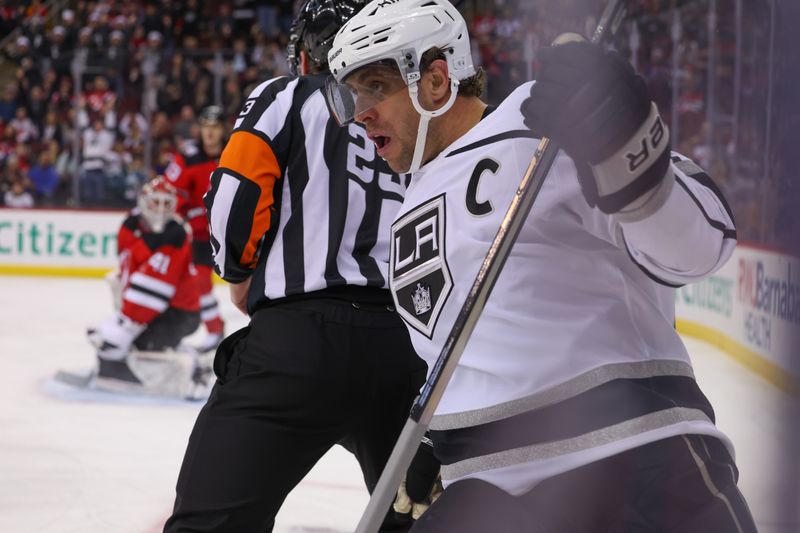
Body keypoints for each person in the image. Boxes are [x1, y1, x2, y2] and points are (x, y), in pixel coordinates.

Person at [326, 0, 758, 531]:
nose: (359, 112)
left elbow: (702, 245)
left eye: (374, 88)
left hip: (631, 460)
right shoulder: (406, 205)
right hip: (484, 491)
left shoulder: (545, 121)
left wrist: (627, 153)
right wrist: (439, 439)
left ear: (436, 79)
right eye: (350, 95)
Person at [163, 1, 428, 531]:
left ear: (308, 53)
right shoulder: (417, 115)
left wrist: (238, 274)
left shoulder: (285, 95)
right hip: (406, 352)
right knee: (420, 521)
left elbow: (237, 193)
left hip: (297, 347)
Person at [89, 177, 205, 397]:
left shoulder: (175, 236)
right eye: (155, 202)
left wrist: (123, 326)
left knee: (141, 344)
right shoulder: (131, 226)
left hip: (179, 313)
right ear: (143, 202)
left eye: (166, 204)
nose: (160, 210)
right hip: (162, 309)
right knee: (133, 339)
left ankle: (194, 366)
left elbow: (154, 289)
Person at [164, 105, 227, 353]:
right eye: (205, 128)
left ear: (223, 129)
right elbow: (171, 193)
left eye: (214, 128)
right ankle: (215, 330)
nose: (210, 133)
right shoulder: (188, 157)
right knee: (200, 285)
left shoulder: (236, 151)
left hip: (234, 232)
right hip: (200, 238)